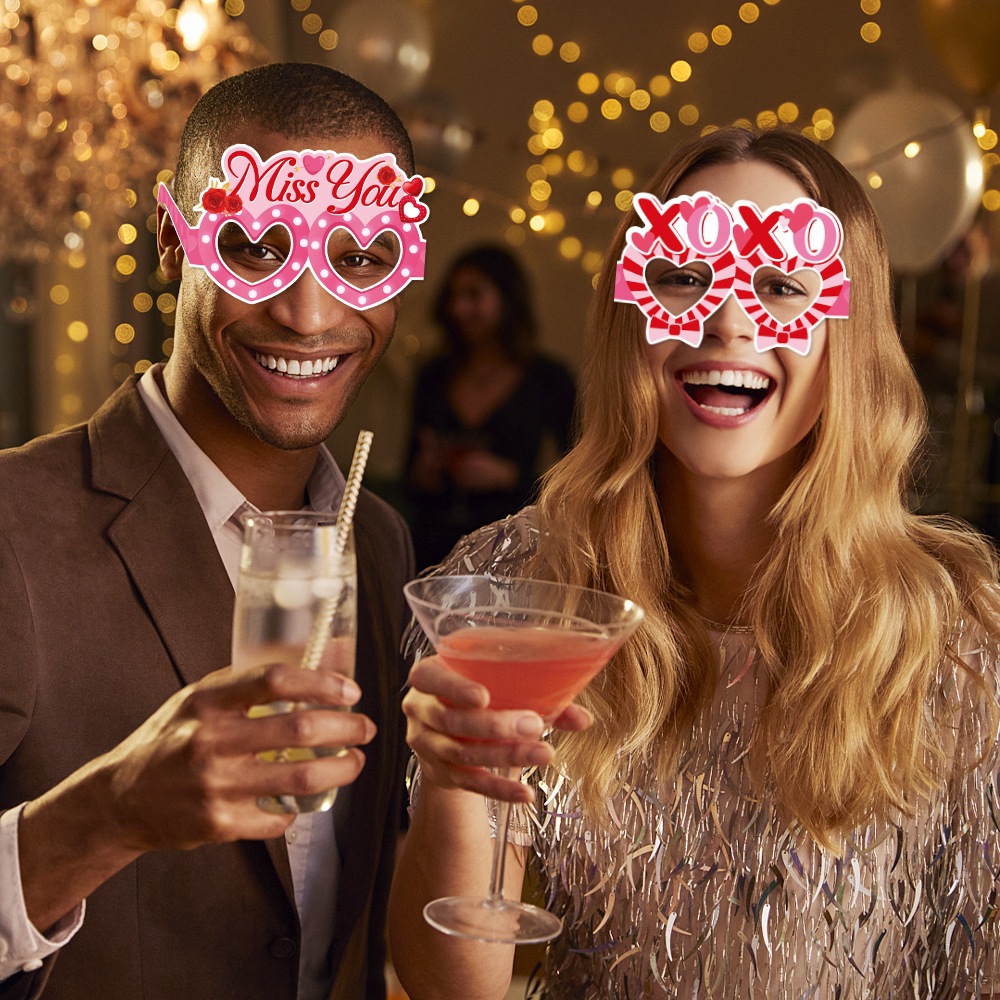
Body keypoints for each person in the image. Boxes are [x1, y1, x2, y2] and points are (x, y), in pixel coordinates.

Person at [388, 127, 1000, 998]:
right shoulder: (515, 584)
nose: (729, 322)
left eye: (782, 285)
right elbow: (455, 990)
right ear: (631, 317)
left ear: (848, 333)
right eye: (681, 276)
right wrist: (456, 784)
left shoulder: (962, 633)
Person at [0, 63, 420, 1000]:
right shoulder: (12, 527)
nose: (309, 315)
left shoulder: (380, 540)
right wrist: (105, 815)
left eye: (360, 257)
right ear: (171, 240)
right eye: (258, 248)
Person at [405, 245, 576, 570]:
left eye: (473, 295)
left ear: (508, 299)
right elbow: (409, 470)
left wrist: (510, 477)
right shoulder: (434, 375)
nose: (459, 308)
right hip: (433, 551)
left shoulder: (549, 379)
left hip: (519, 552)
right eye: (453, 296)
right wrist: (423, 471)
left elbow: (578, 475)